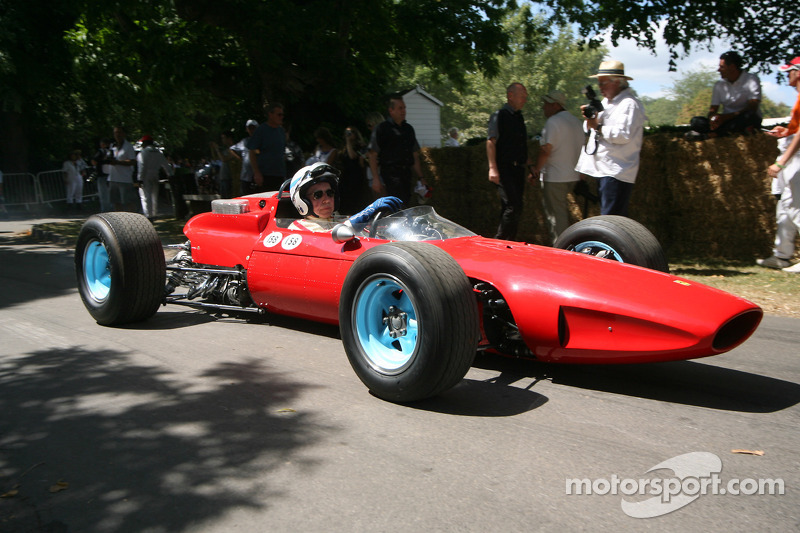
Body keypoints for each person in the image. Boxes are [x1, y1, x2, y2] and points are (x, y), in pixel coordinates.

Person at [574, 60, 646, 218]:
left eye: (603, 83)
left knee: (611, 219)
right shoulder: (606, 103)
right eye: (599, 83)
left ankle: (612, 244)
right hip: (604, 169)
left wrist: (597, 126)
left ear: (618, 82)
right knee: (610, 218)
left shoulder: (629, 104)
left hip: (616, 170)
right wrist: (590, 120)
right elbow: (590, 130)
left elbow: (622, 135)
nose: (600, 88)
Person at [759, 57, 800, 272]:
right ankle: (782, 255)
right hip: (794, 156)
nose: (787, 75)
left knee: (796, 206)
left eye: (789, 71)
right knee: (785, 207)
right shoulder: (798, 99)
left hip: (797, 158)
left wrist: (781, 162)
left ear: (798, 72)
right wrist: (785, 131)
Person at [532, 90, 584, 244]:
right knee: (565, 215)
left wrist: (536, 169)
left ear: (555, 105)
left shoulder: (553, 122)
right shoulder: (576, 121)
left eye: (546, 104)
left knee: (556, 218)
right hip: (573, 175)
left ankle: (561, 248)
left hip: (555, 176)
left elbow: (546, 150)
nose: (543, 108)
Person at [288, 163, 402, 233]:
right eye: (318, 195)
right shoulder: (297, 228)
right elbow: (328, 240)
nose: (326, 199)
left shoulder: (337, 219)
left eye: (330, 193)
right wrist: (366, 212)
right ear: (302, 201)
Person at [486, 82, 533, 241]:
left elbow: (521, 145)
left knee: (513, 207)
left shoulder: (519, 117)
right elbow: (491, 142)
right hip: (504, 168)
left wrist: (530, 166)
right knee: (513, 205)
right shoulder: (499, 116)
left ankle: (509, 241)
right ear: (510, 96)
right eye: (522, 96)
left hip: (518, 168)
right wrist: (492, 168)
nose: (525, 100)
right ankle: (499, 241)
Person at [686, 51, 762, 140]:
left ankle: (712, 134)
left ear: (732, 67)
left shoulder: (751, 79)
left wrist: (726, 117)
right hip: (726, 122)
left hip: (743, 119)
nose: (718, 70)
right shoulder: (719, 85)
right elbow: (713, 110)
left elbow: (753, 107)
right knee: (696, 122)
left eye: (722, 67)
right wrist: (713, 119)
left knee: (750, 116)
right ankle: (720, 133)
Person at [368, 94, 425, 204]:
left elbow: (414, 155)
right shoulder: (381, 129)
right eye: (400, 108)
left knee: (405, 204)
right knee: (393, 207)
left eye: (404, 108)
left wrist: (421, 177)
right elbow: (372, 154)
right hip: (389, 175)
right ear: (391, 110)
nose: (403, 111)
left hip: (407, 175)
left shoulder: (409, 129)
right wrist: (376, 179)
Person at [246, 102, 286, 192]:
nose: (281, 117)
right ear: (270, 115)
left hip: (279, 174)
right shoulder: (261, 130)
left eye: (282, 115)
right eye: (279, 115)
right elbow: (252, 151)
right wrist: (256, 172)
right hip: (265, 175)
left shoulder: (281, 131)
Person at [136, 135, 174, 220]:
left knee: (145, 196)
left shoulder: (143, 153)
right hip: (155, 175)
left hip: (146, 176)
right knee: (154, 195)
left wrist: (140, 179)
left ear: (145, 143)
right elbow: (165, 165)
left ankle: (148, 215)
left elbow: (142, 167)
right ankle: (154, 213)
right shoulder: (158, 153)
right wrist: (170, 175)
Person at [108, 125, 138, 211]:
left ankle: (133, 221)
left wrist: (118, 162)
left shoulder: (128, 146)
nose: (117, 135)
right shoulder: (112, 146)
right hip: (113, 178)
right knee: (116, 202)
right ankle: (120, 222)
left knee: (129, 202)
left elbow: (133, 162)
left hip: (124, 179)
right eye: (115, 133)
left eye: (119, 132)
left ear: (124, 134)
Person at [340, 126, 369, 214]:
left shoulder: (360, 145)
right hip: (346, 174)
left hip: (356, 174)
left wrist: (348, 142)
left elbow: (352, 156)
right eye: (347, 133)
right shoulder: (343, 147)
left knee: (355, 197)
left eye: (351, 133)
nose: (348, 135)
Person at [231, 119, 259, 195]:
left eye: (254, 128)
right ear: (247, 129)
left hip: (259, 175)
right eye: (250, 128)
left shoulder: (261, 141)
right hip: (246, 176)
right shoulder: (244, 142)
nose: (252, 130)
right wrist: (239, 159)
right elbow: (232, 149)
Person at [209, 131, 240, 199]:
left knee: (229, 198)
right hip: (223, 178)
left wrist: (217, 149)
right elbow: (215, 158)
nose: (222, 140)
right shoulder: (226, 150)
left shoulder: (234, 149)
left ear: (229, 138)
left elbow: (224, 159)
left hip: (230, 178)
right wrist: (213, 149)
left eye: (223, 138)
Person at [364, 111, 385, 196]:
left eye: (369, 125)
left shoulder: (378, 135)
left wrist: (376, 179)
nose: (369, 128)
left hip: (379, 175)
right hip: (378, 175)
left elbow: (374, 155)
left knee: (382, 203)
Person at [90, 138, 113, 212]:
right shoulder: (106, 152)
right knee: (106, 193)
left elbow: (94, 161)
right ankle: (107, 209)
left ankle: (106, 209)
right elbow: (94, 161)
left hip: (103, 175)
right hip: (105, 174)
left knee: (104, 194)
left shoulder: (103, 152)